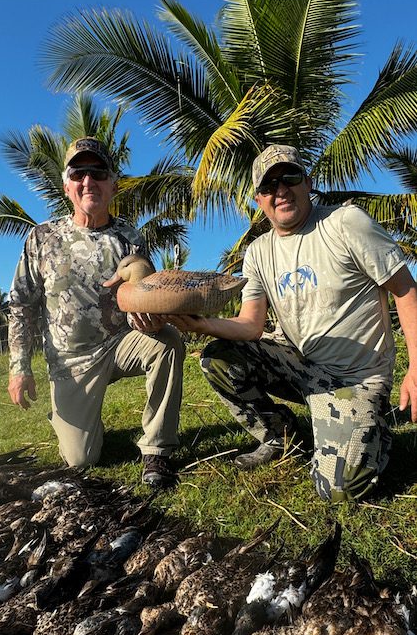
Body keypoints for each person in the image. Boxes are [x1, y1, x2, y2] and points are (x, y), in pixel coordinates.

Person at [160, 143, 417, 502]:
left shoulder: (346, 223)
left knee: (339, 489)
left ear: (307, 182)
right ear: (258, 200)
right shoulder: (258, 252)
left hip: (355, 378)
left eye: (289, 178)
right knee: (218, 358)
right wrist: (200, 325)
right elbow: (251, 325)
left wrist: (415, 368)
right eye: (268, 185)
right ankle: (280, 436)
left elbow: (405, 289)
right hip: (301, 365)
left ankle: (373, 428)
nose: (280, 190)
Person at [7, 137, 185, 489]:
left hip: (120, 345)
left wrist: (149, 317)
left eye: (98, 173)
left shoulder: (130, 238)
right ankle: (69, 418)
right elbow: (21, 305)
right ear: (66, 186)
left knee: (167, 343)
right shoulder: (42, 238)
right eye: (78, 173)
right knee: (81, 459)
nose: (88, 181)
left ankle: (156, 450)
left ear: (113, 184)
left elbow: (143, 296)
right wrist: (19, 368)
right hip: (71, 363)